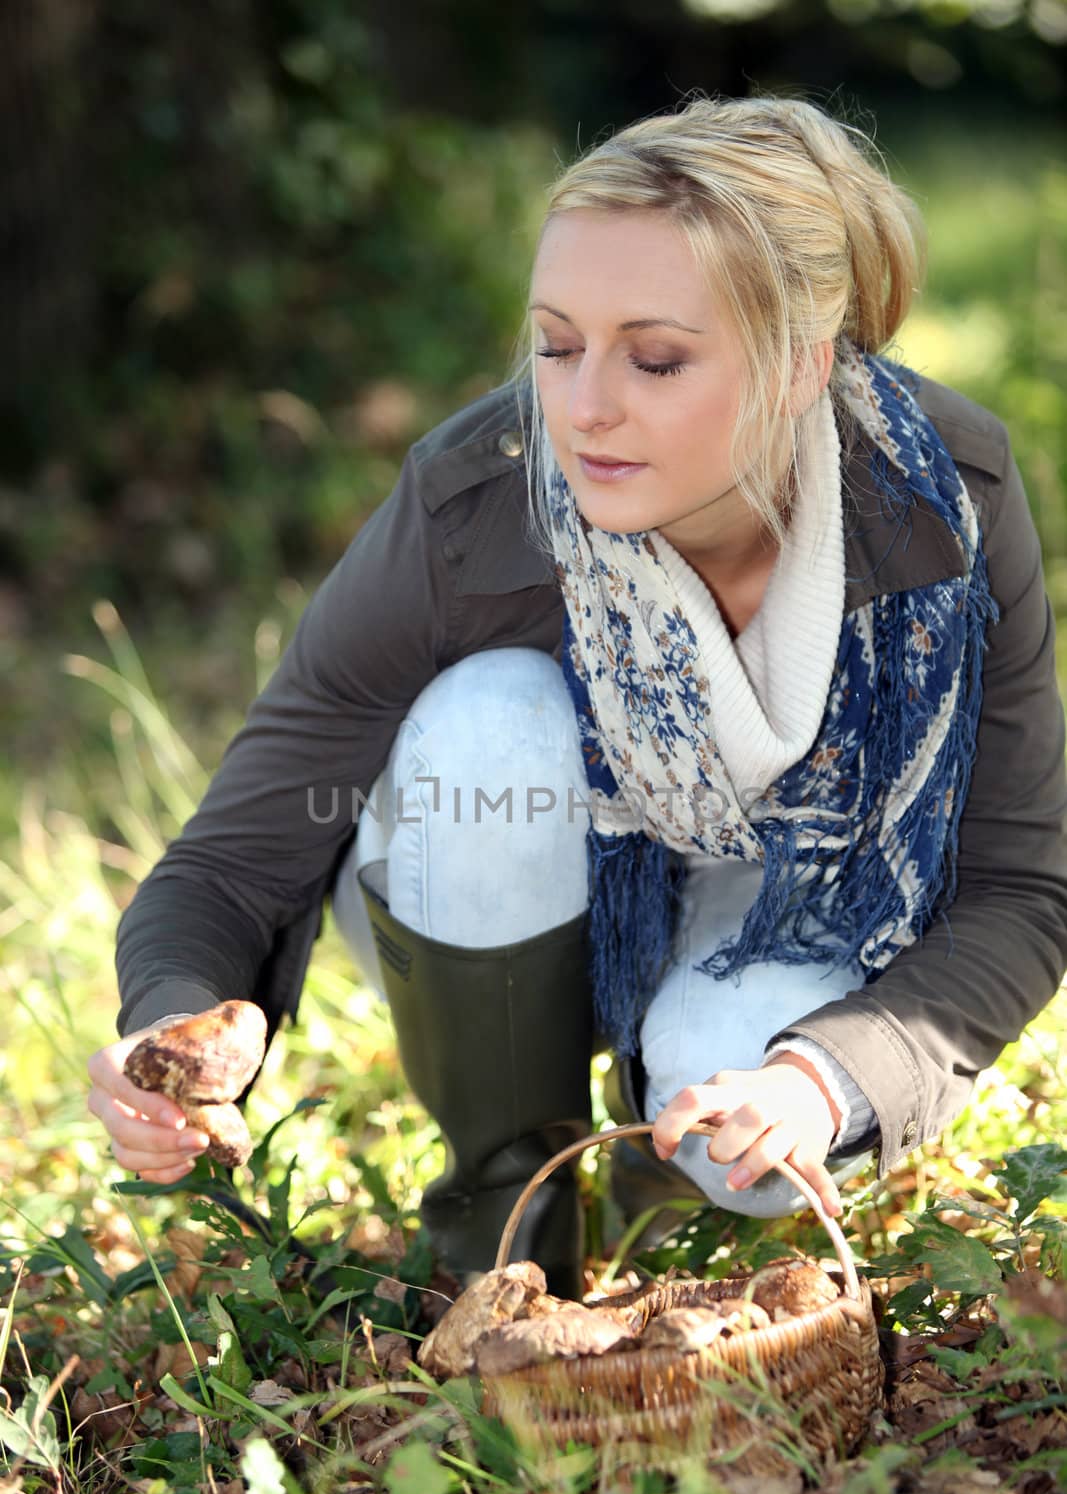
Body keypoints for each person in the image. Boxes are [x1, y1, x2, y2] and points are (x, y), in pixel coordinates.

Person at [87, 95, 1067, 1301]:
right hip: (499, 879)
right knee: (487, 723)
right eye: (555, 344)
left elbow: (1020, 886)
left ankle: (663, 1161)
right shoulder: (472, 510)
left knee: (744, 1128)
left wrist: (822, 1077)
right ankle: (505, 1223)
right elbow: (232, 862)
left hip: (783, 896)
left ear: (802, 362)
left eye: (653, 358)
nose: (582, 406)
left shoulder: (938, 500)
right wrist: (168, 1034)